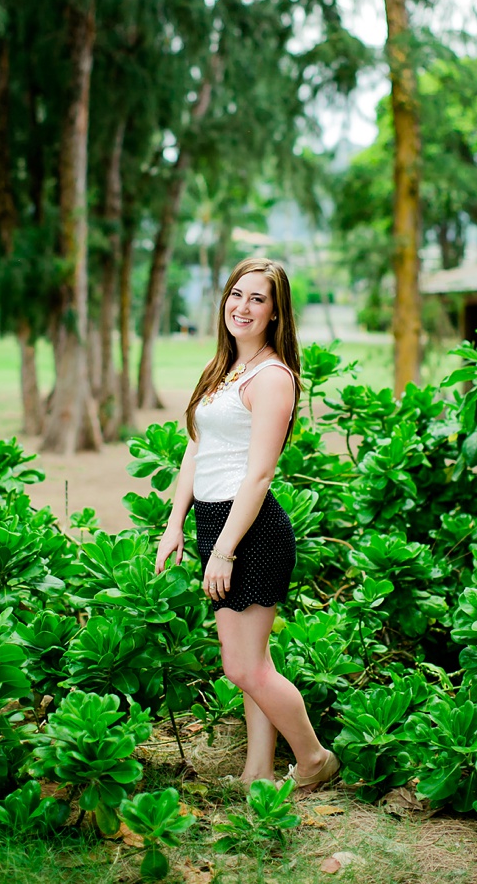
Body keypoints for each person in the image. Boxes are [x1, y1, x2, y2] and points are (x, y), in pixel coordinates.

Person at [153, 257, 340, 793]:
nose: (243, 307)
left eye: (259, 299)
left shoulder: (272, 377)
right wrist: (175, 524)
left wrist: (225, 550)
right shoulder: (221, 372)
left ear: (276, 313)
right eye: (238, 294)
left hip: (250, 531)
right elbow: (197, 450)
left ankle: (314, 760)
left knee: (244, 668)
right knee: (252, 662)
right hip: (217, 524)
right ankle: (257, 771)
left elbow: (258, 475)